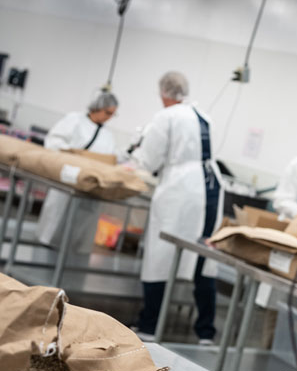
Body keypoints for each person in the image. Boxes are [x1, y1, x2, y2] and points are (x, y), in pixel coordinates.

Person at [130, 71, 222, 344]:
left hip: (180, 189)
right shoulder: (203, 115)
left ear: (163, 93)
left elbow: (149, 160)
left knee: (161, 254)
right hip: (210, 188)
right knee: (202, 255)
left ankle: (149, 324)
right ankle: (205, 331)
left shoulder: (166, 117)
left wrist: (136, 156)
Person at [35, 91, 119, 251]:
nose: (109, 117)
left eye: (113, 115)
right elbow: (53, 141)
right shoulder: (74, 120)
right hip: (68, 176)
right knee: (57, 215)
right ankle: (45, 243)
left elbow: (111, 156)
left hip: (89, 183)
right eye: (107, 112)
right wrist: (73, 154)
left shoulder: (108, 135)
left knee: (81, 222)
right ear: (97, 107)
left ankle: (72, 248)